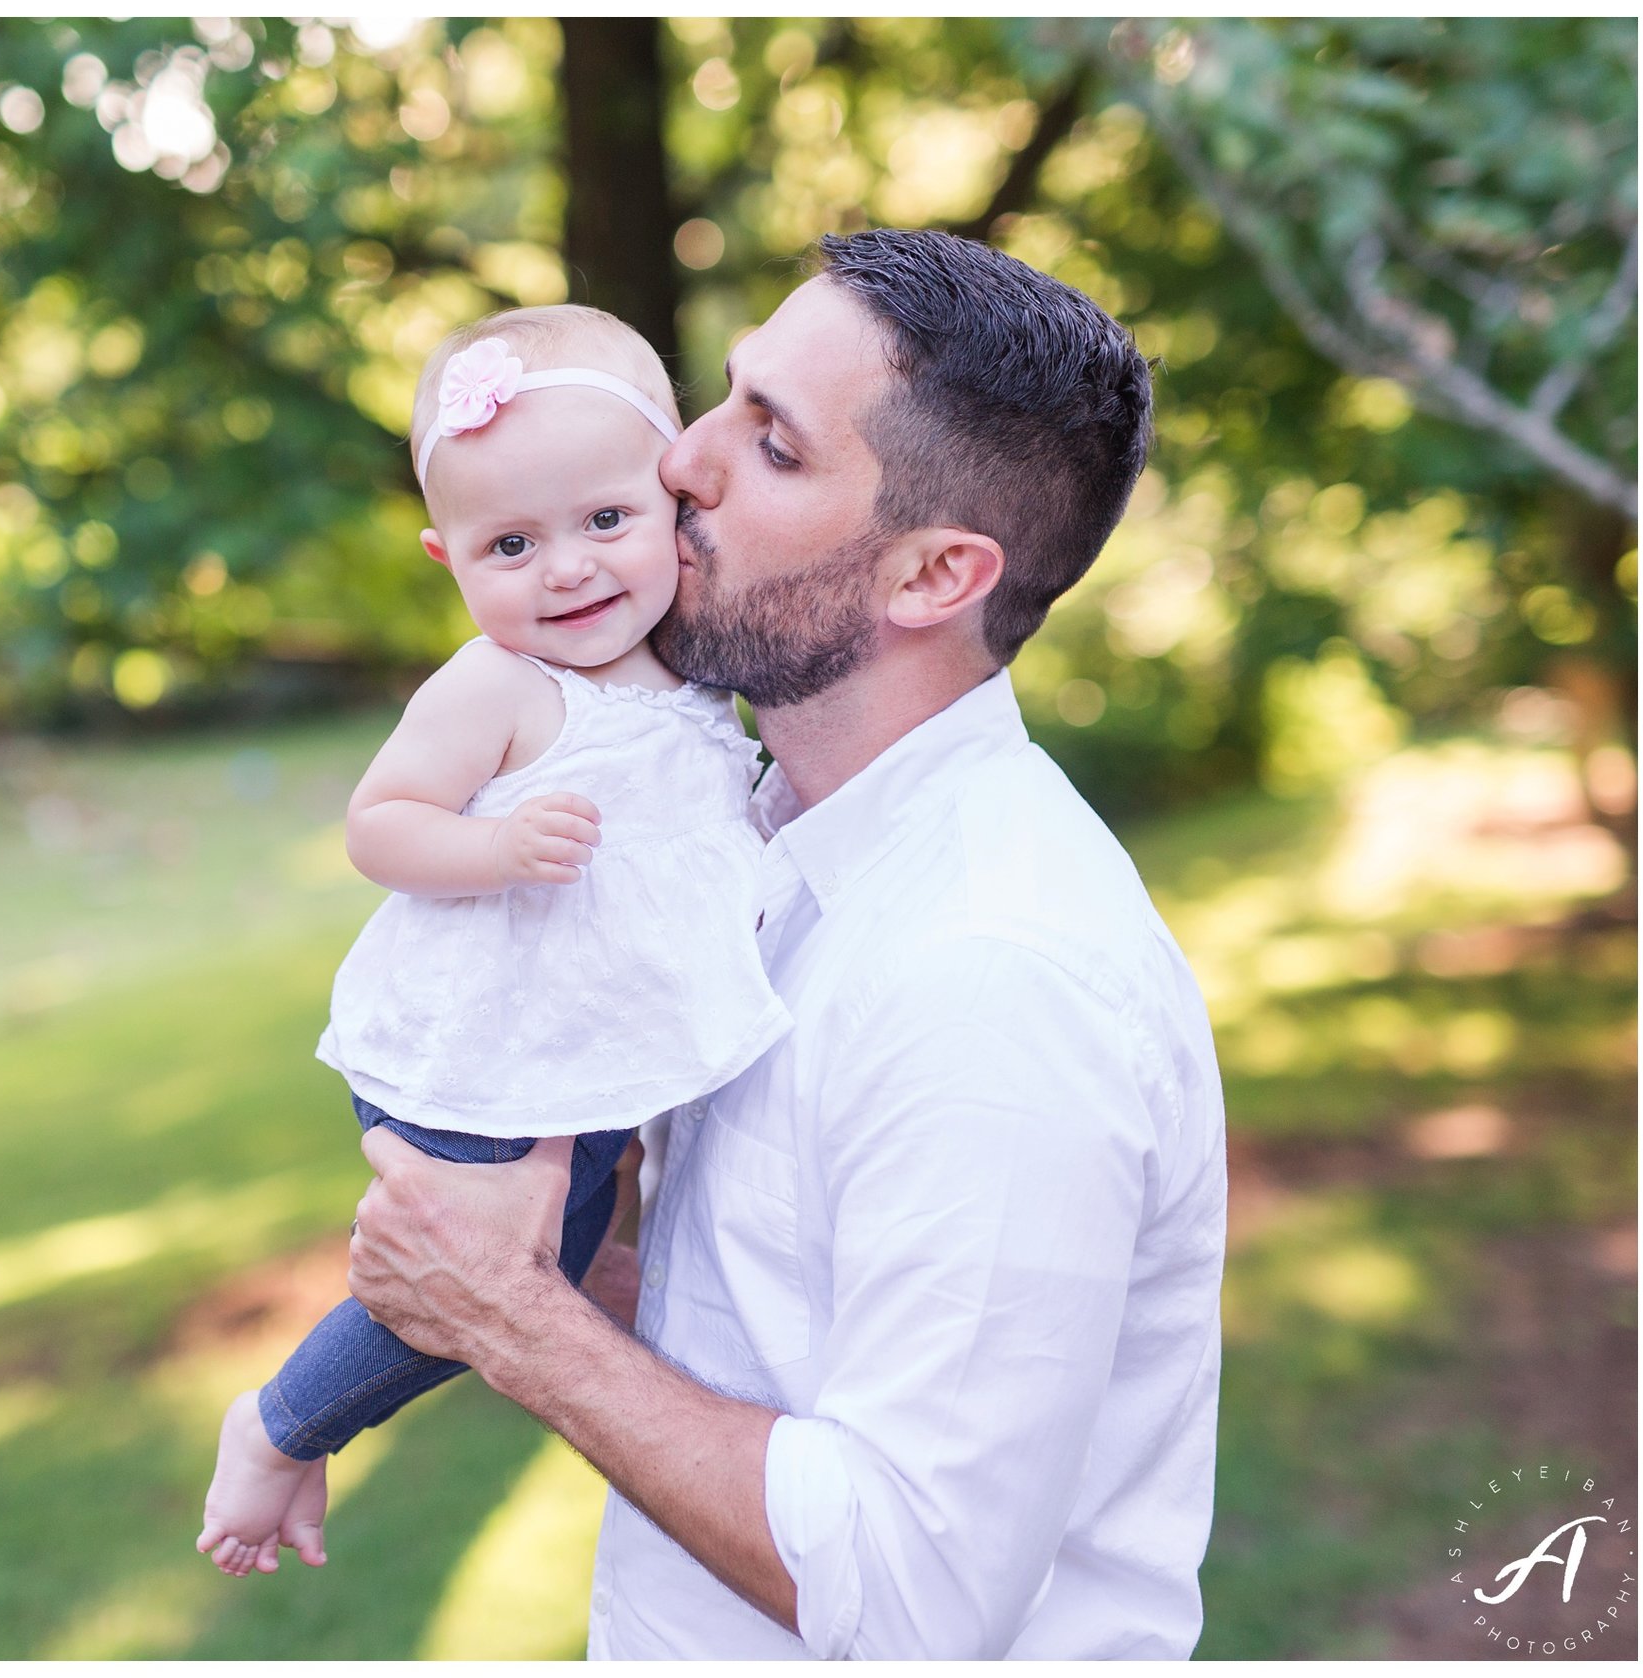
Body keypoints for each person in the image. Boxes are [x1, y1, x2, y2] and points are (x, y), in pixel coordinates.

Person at [346, 229, 1230, 1658]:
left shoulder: (991, 979)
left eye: (771, 443)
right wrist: (533, 1254)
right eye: (724, 395)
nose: (680, 461)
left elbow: (915, 1593)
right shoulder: (769, 838)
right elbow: (778, 1333)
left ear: (933, 575)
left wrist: (515, 1318)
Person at [193, 306, 790, 1577]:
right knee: (499, 1268)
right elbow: (379, 824)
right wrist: (498, 850)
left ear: (673, 505)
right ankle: (279, 1424)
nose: (566, 570)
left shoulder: (684, 670)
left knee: (561, 1261)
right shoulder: (503, 686)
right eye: (511, 543)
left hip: (568, 1055)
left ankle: (305, 1421)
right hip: (484, 1050)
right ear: (445, 557)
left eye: (604, 523)